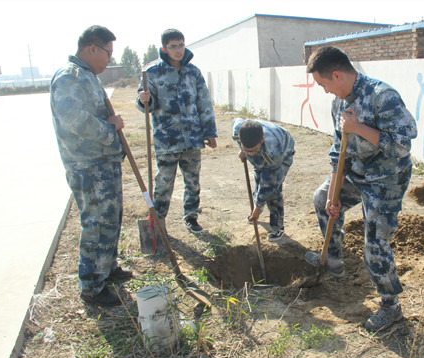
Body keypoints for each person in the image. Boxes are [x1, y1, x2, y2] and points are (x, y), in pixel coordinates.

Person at [304, 46, 417, 332]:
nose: (325, 90)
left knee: (375, 244)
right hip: (356, 172)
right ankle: (333, 260)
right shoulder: (339, 103)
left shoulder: (383, 96)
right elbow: (336, 151)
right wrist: (333, 195)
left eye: (323, 84)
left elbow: (402, 145)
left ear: (337, 75)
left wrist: (358, 128)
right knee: (321, 199)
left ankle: (391, 309)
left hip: (386, 180)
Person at [51, 25, 133, 307]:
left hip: (104, 164)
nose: (109, 60)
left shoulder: (87, 76)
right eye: (108, 54)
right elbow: (73, 119)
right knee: (96, 224)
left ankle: (107, 268)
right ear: (92, 48)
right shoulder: (69, 77)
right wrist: (110, 129)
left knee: (111, 219)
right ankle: (91, 286)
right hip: (88, 167)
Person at [137, 28, 217, 234]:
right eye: (173, 46)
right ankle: (158, 222)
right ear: (164, 48)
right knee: (163, 184)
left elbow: (204, 103)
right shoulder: (152, 73)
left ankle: (191, 217)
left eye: (181, 45)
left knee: (193, 181)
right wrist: (143, 99)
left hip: (192, 138)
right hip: (167, 139)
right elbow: (146, 104)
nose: (178, 50)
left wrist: (209, 132)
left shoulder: (193, 72)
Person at [232, 118, 296, 241]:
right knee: (258, 178)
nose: (250, 154)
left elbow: (268, 184)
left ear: (261, 140)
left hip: (284, 151)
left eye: (254, 150)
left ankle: (277, 227)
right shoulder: (237, 129)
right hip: (264, 149)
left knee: (273, 192)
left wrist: (256, 208)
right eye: (247, 150)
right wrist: (242, 150)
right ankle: (259, 206)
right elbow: (238, 135)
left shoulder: (274, 152)